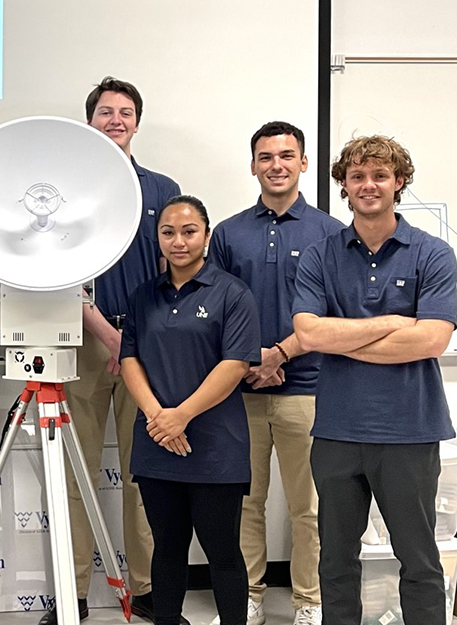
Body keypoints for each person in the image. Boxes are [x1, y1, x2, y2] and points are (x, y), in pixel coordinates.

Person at [293, 135, 456, 625]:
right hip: (338, 432)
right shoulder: (320, 255)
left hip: (410, 431)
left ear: (399, 182)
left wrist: (341, 336)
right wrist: (393, 321)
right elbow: (307, 331)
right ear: (343, 184)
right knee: (336, 562)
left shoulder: (433, 253)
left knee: (420, 560)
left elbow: (431, 341)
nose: (369, 185)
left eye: (380, 175)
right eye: (358, 176)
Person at [39, 76, 182, 625]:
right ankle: (71, 595)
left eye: (124, 112)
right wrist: (104, 333)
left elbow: (180, 268)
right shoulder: (64, 188)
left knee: (145, 475)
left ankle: (148, 590)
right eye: (105, 112)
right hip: (81, 344)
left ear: (137, 123)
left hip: (147, 353)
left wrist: (147, 343)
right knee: (75, 477)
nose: (115, 120)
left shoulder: (163, 189)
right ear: (90, 121)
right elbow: (55, 271)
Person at [208, 121, 343, 625]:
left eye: (286, 156)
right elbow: (214, 311)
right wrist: (250, 362)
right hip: (238, 391)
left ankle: (309, 600)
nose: (276, 165)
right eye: (266, 157)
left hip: (309, 390)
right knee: (245, 502)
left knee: (310, 508)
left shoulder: (330, 233)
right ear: (253, 166)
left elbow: (336, 314)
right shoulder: (227, 233)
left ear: (303, 163)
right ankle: (250, 596)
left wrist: (279, 355)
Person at [121, 195, 261, 625]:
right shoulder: (144, 294)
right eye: (168, 232)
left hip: (215, 446)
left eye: (188, 231)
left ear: (206, 235)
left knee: (221, 552)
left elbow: (235, 364)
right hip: (157, 443)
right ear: (156, 238)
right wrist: (157, 417)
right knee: (167, 548)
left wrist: (180, 415)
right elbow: (130, 359)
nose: (178, 241)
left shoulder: (232, 293)